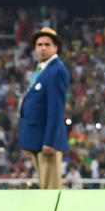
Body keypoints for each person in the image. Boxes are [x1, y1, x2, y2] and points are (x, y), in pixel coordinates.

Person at [18, 27, 70, 189]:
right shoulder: (43, 69)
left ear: (56, 47)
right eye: (39, 44)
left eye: (47, 44)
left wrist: (49, 141)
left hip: (47, 142)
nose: (42, 48)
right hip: (38, 139)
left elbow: (56, 109)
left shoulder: (57, 70)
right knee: (44, 186)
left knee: (51, 188)